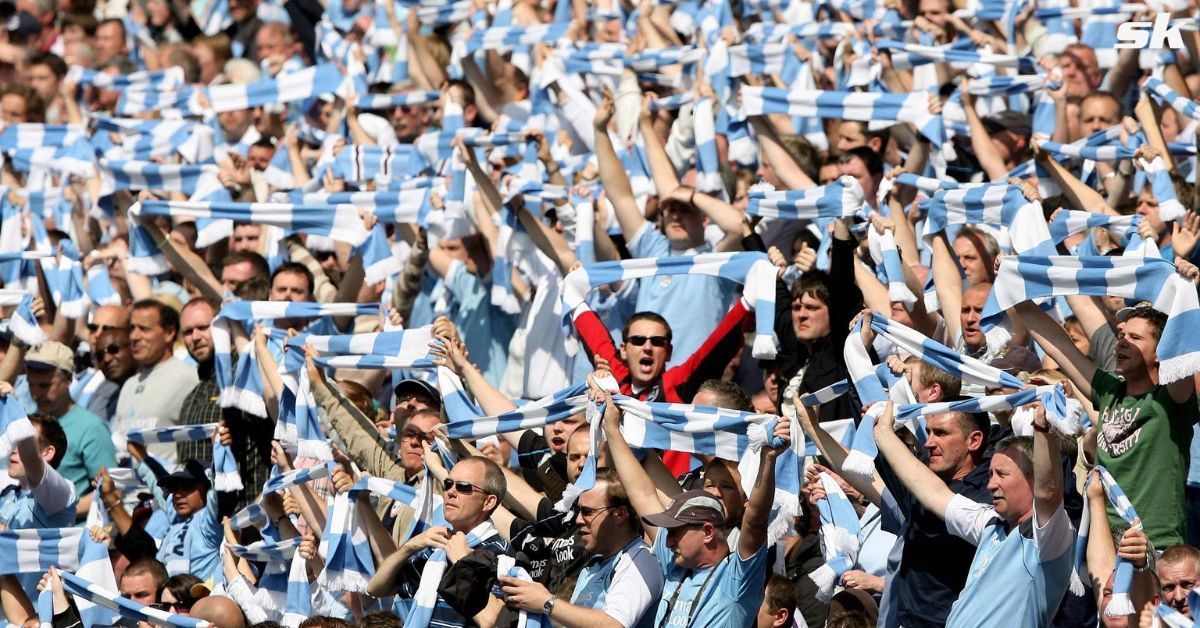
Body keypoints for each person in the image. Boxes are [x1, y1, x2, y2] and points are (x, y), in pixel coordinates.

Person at [599, 373, 786, 626]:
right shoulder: (676, 558)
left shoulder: (737, 578)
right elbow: (642, 493)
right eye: (709, 484)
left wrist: (768, 459)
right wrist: (612, 426)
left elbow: (755, 521)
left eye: (727, 487)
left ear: (708, 531)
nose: (669, 538)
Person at [1015, 301, 1198, 548]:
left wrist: (1186, 290)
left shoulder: (1171, 399)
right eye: (1121, 335)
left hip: (1155, 545)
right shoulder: (1109, 390)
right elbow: (1060, 345)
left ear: (1161, 351)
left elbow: (1185, 352)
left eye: (1135, 337)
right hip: (1103, 542)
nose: (1122, 341)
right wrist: (1016, 296)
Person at [874, 401, 1073, 626]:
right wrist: (884, 434)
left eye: (1002, 474)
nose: (991, 485)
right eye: (990, 474)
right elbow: (932, 491)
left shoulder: (1047, 536)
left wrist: (1042, 429)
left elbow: (1048, 493)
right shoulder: (989, 524)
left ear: (1033, 479)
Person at [498, 468, 664, 628]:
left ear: (620, 514)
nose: (578, 520)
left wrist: (546, 602)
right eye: (578, 510)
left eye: (587, 512)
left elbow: (614, 624)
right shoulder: (596, 562)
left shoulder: (641, 561)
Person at [367, 455, 511, 625]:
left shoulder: (499, 553)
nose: (451, 492)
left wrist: (462, 561)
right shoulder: (438, 548)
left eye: (463, 487)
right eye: (448, 484)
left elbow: (493, 621)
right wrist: (410, 547)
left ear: (488, 502)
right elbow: (376, 588)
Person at [174, 297, 273, 512]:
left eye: (203, 328)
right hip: (209, 527)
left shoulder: (246, 377)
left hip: (253, 516)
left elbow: (277, 432)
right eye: (188, 332)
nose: (195, 337)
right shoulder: (193, 396)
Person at [23, 341, 116, 521]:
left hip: (70, 537)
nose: (35, 393)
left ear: (68, 379)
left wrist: (62, 510)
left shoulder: (91, 427)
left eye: (44, 386)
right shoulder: (27, 423)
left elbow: (110, 489)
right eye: (30, 384)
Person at [114, 299, 199, 464]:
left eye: (144, 329)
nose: (134, 336)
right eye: (132, 328)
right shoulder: (129, 385)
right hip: (129, 488)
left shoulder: (188, 378)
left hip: (166, 487)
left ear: (169, 333)